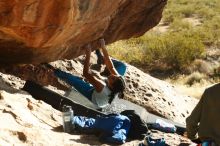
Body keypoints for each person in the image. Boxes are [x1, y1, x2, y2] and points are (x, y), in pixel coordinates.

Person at [53, 39, 126, 108]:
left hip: (94, 98)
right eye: (115, 76)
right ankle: (100, 58)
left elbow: (86, 73)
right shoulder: (118, 81)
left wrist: (88, 53)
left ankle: (53, 71)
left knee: (73, 80)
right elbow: (111, 67)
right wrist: (103, 46)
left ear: (111, 86)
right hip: (105, 91)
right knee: (123, 67)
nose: (112, 75)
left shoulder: (102, 87)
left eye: (113, 78)